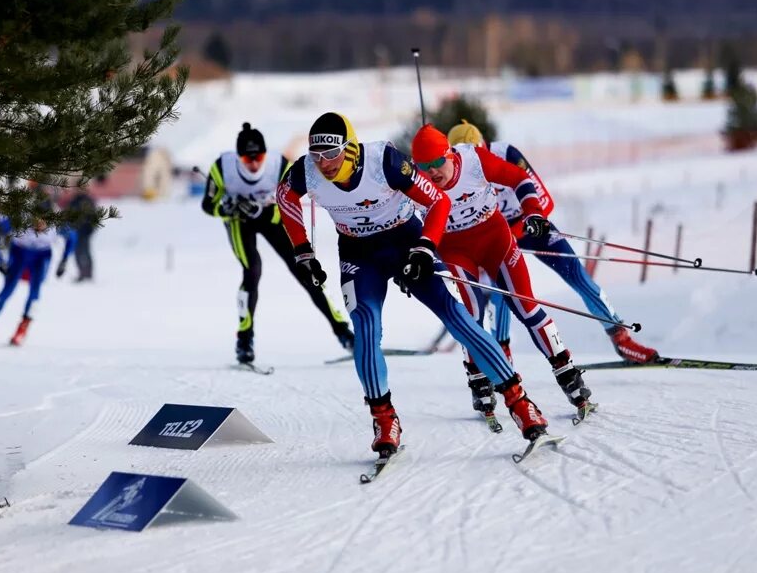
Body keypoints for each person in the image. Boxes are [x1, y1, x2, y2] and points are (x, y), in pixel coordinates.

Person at [276, 112, 553, 456]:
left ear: (350, 149)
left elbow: (439, 201)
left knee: (456, 315)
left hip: (404, 240)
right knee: (365, 325)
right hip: (359, 253)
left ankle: (520, 404)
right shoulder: (306, 171)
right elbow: (284, 197)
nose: (324, 164)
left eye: (331, 155)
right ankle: (384, 419)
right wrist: (303, 251)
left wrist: (424, 249)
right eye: (317, 156)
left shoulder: (384, 161)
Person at [409, 124, 593, 418]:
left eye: (436, 163)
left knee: (527, 306)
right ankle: (479, 380)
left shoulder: (474, 160)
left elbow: (520, 179)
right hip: (455, 251)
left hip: (495, 239)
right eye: (423, 165)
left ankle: (568, 373)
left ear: (450, 155)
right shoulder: (415, 181)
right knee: (469, 316)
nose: (431, 172)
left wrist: (532, 211)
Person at [446, 120, 658, 364]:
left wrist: (524, 224)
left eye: (478, 150)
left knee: (578, 275)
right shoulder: (453, 173)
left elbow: (544, 200)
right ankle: (503, 353)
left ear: (484, 145)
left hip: (529, 226)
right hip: (497, 235)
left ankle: (621, 339)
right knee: (500, 292)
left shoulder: (505, 154)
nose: (475, 160)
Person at [202, 122, 353, 365]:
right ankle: (244, 339)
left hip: (271, 218)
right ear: (238, 156)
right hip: (239, 222)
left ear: (265, 153)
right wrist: (227, 207)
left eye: (258, 157)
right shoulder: (223, 166)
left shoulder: (278, 164)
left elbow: (287, 205)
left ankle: (343, 332)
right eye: (246, 159)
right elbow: (208, 205)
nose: (253, 163)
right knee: (252, 270)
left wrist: (260, 212)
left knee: (304, 270)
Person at [0, 199, 75, 347]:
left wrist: (64, 261)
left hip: (41, 256)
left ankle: (22, 330)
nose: (39, 225)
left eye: (44, 222)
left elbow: (72, 238)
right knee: (7, 291)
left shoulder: (57, 224)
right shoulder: (18, 220)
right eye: (36, 221)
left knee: (35, 292)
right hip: (19, 253)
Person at [67, 190, 98, 282]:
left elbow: (93, 217)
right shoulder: (74, 201)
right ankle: (81, 273)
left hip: (85, 231)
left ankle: (88, 273)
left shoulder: (88, 201)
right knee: (77, 253)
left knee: (85, 252)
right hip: (76, 231)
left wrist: (90, 229)